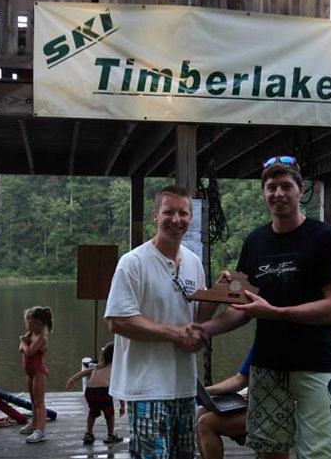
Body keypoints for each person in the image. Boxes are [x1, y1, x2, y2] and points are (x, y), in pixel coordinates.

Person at [197, 156, 331, 459]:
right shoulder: (255, 242)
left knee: (321, 452)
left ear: (300, 190)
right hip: (266, 367)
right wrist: (201, 330)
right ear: (263, 192)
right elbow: (241, 306)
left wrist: (277, 313)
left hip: (313, 365)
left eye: (285, 186)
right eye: (271, 187)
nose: (278, 193)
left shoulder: (326, 239)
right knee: (269, 449)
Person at [105, 184, 216, 459]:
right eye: (169, 212)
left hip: (184, 385)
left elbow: (198, 320)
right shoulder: (132, 263)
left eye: (183, 213)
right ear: (155, 215)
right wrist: (176, 334)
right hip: (146, 386)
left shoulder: (193, 263)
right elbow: (118, 321)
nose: (176, 220)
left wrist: (220, 295)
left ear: (191, 218)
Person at [197, 346, 253, 459]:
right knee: (200, 413)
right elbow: (239, 380)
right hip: (253, 403)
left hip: (274, 408)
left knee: (206, 423)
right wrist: (206, 392)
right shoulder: (260, 347)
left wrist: (257, 396)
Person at [65, 342, 126, 445]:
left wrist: (72, 379)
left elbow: (84, 373)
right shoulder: (115, 369)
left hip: (90, 391)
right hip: (103, 391)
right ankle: (111, 435)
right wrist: (122, 406)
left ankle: (89, 433)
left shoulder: (98, 367)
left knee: (92, 412)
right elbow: (119, 388)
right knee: (109, 414)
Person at [19, 306, 53, 444]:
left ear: (37, 322)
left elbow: (28, 352)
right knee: (33, 401)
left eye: (28, 322)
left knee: (39, 402)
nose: (27, 325)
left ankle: (40, 430)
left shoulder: (41, 338)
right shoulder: (30, 334)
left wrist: (22, 342)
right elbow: (20, 349)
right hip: (30, 373)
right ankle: (34, 423)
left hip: (39, 372)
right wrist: (23, 342)